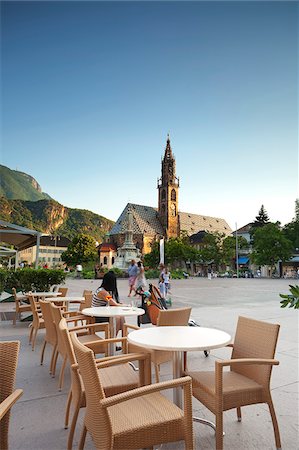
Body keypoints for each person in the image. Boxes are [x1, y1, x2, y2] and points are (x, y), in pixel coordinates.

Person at [92, 271, 123, 338]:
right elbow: (113, 303)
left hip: (102, 313)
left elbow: (113, 303)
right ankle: (112, 340)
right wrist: (127, 306)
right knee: (117, 318)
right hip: (96, 316)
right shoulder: (102, 292)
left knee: (121, 317)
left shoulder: (106, 291)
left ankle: (123, 337)